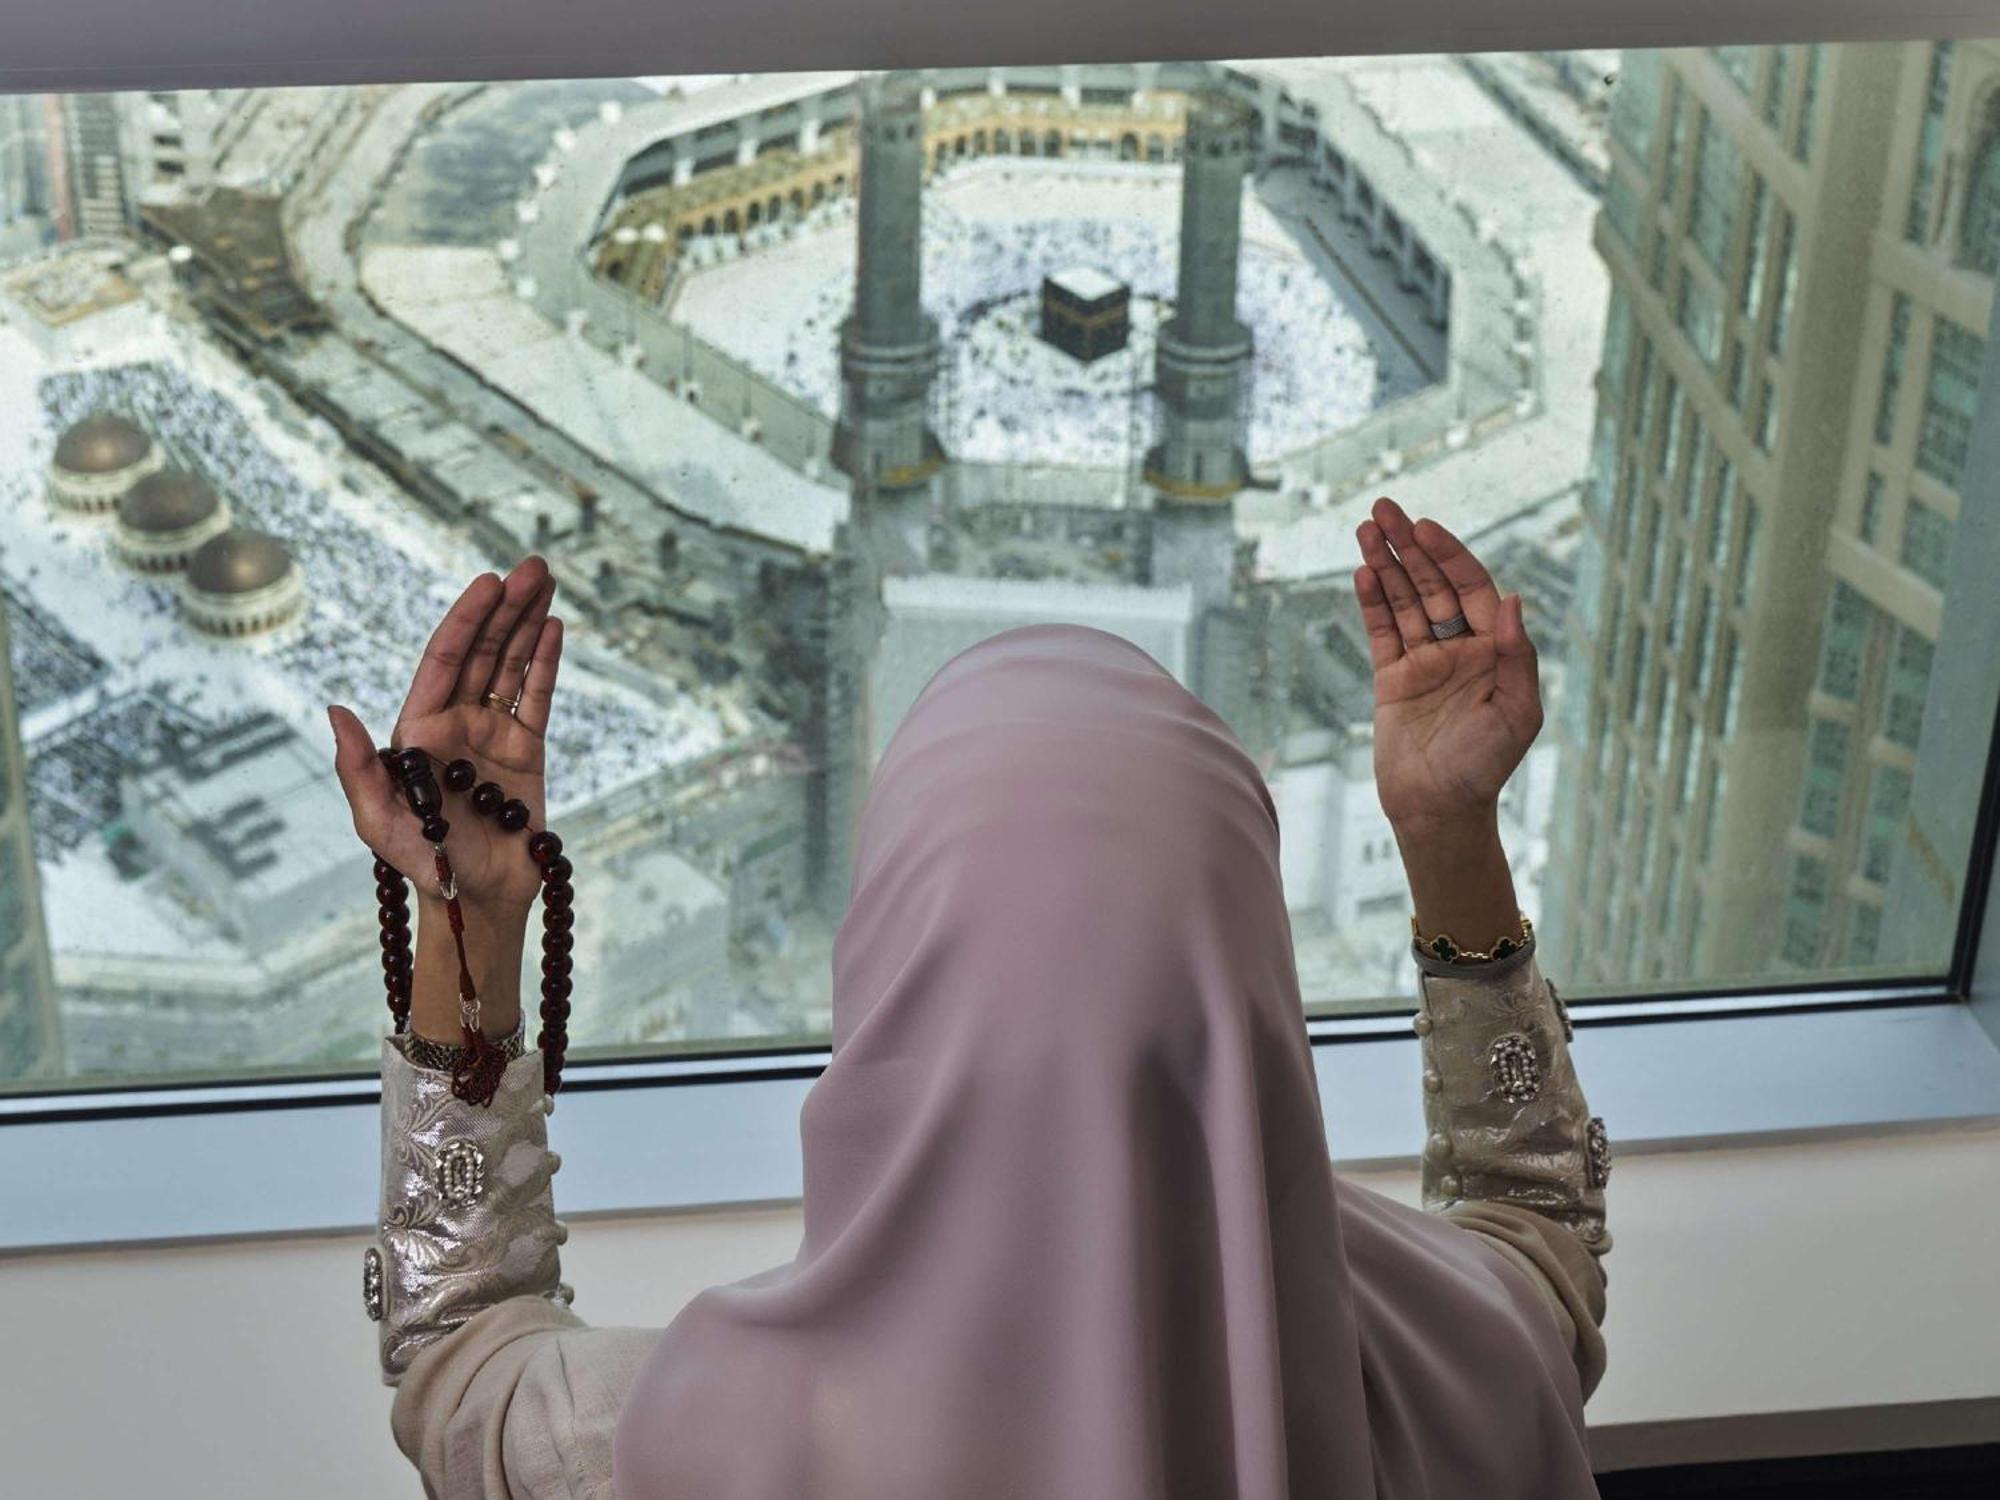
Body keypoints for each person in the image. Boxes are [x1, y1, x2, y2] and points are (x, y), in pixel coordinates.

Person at [329, 495, 1610, 1499]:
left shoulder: (709, 1448)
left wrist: (469, 922)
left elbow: (461, 1360)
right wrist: (1449, 836)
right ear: (1245, 993)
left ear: (891, 979)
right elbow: (1532, 1224)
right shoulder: (1450, 1372)